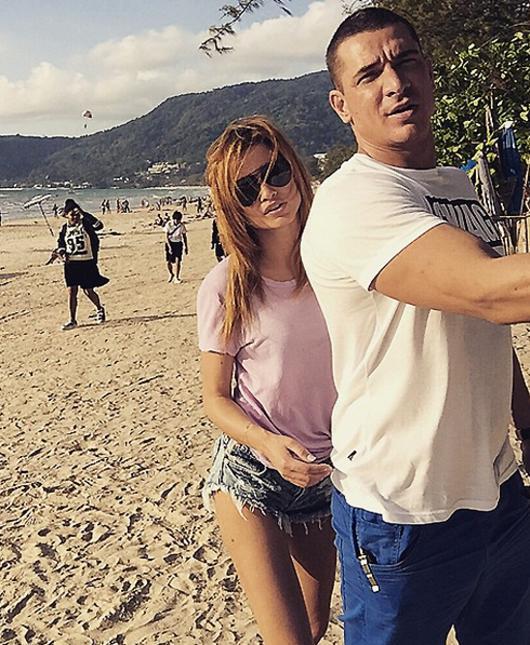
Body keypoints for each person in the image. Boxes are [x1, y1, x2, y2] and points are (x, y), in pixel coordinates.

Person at [301, 8, 530, 645]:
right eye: (369, 75)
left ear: (428, 72)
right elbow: (491, 292)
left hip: (495, 488)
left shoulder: (455, 184)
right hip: (401, 509)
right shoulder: (354, 200)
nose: (394, 83)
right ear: (341, 105)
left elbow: (480, 322)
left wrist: (525, 417)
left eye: (405, 62)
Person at [197, 116, 337, 645]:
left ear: (296, 172)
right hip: (251, 474)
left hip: (324, 474)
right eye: (247, 188)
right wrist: (269, 444)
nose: (267, 193)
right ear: (233, 205)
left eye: (275, 172)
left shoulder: (337, 268)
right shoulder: (226, 286)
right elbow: (214, 398)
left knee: (315, 627)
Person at [55, 199, 108, 330]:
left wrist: (83, 212)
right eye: (72, 215)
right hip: (71, 264)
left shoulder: (85, 224)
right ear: (66, 215)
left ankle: (99, 308)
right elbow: (61, 243)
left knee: (88, 290)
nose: (75, 217)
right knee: (72, 291)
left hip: (87, 262)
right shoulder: (65, 228)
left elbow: (99, 225)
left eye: (77, 214)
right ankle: (72, 320)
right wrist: (61, 252)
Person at [164, 210, 188, 283]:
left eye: (179, 220)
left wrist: (186, 246)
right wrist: (169, 247)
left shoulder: (181, 226)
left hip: (178, 243)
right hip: (170, 243)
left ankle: (177, 277)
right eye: (177, 220)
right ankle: (171, 274)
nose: (178, 221)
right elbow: (166, 237)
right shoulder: (168, 224)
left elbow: (184, 236)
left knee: (178, 260)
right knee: (168, 262)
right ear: (174, 219)